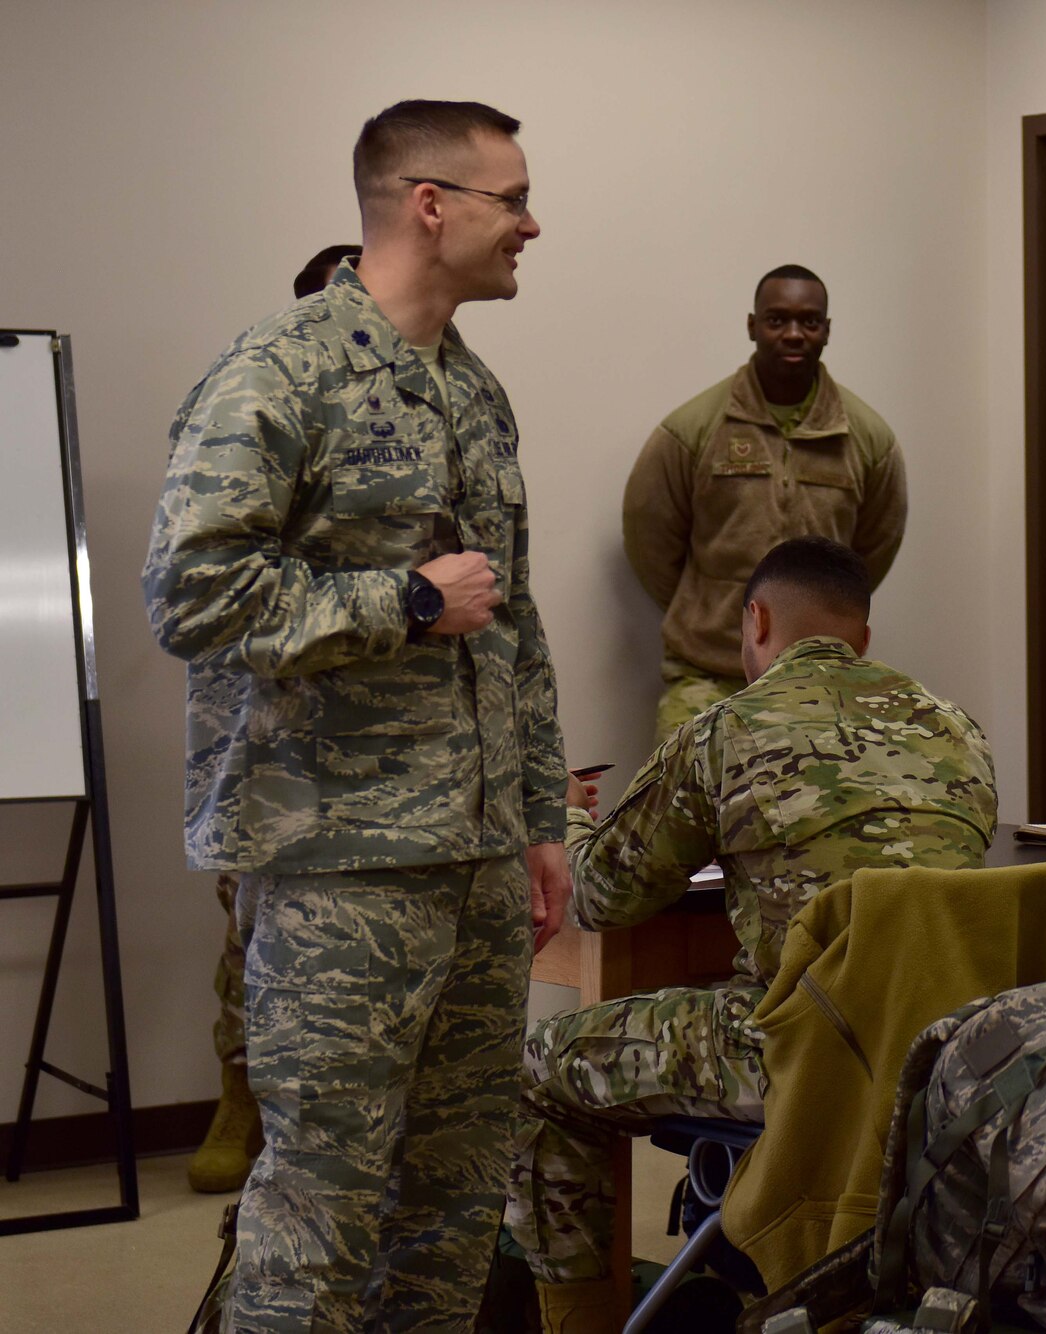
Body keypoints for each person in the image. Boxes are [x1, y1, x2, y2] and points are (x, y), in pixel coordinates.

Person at [142, 100, 568, 1331]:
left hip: (477, 855)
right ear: (429, 204)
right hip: (340, 862)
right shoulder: (276, 372)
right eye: (512, 198)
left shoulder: (473, 391)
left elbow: (515, 620)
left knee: (452, 1205)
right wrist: (403, 599)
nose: (532, 224)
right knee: (320, 1207)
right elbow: (192, 593)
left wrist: (540, 817)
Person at [508, 536, 998, 1333]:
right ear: (861, 636)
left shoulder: (726, 730)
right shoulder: (958, 730)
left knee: (540, 1063)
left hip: (802, 1050)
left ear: (757, 621)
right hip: (948, 1055)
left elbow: (599, 894)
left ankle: (579, 1322)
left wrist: (564, 810)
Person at [186, 240, 368, 1198]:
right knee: (256, 929)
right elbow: (208, 598)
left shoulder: (421, 417)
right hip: (271, 728)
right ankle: (240, 1098)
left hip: (385, 735)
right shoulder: (259, 405)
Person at [622, 266, 908, 742]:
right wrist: (711, 607)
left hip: (822, 680)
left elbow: (871, 551)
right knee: (690, 811)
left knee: (815, 813)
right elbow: (649, 538)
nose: (793, 334)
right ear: (752, 325)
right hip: (707, 673)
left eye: (809, 322)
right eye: (777, 320)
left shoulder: (868, 438)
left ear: (827, 330)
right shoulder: (692, 429)